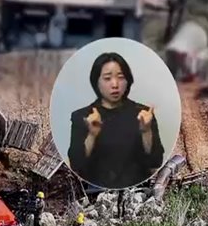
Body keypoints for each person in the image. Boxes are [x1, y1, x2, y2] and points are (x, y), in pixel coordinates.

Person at [67, 52, 164, 188]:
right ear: (96, 82)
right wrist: (92, 135)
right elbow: (76, 164)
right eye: (107, 78)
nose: (115, 84)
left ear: (128, 80)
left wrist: (146, 131)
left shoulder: (143, 114)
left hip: (138, 192)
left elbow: (155, 162)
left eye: (121, 77)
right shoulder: (82, 116)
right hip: (94, 194)